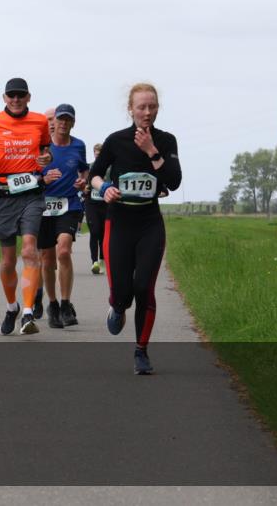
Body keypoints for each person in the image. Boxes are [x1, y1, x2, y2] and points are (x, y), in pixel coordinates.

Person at [88, 83, 182, 375]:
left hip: (149, 224)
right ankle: (117, 306)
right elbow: (93, 175)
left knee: (144, 287)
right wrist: (104, 188)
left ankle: (141, 352)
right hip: (118, 224)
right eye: (141, 106)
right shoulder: (116, 141)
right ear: (130, 109)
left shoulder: (166, 141)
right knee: (123, 292)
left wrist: (152, 151)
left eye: (152, 106)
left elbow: (175, 180)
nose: (147, 112)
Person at [0, 78, 52, 336]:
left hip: (31, 193)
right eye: (12, 96)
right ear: (4, 98)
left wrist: (46, 158)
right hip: (4, 196)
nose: (16, 100)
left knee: (30, 249)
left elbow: (46, 150)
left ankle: (28, 312)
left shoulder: (40, 121)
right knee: (8, 260)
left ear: (29, 97)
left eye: (21, 95)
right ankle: (12, 307)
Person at [38, 104, 88, 328]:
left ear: (73, 123)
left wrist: (83, 180)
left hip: (70, 205)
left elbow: (84, 169)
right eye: (61, 119)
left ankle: (66, 303)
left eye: (69, 120)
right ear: (54, 121)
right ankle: (53, 303)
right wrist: (44, 179)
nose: (64, 124)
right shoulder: (42, 146)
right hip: (44, 207)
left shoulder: (79, 145)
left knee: (64, 250)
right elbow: (31, 172)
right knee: (47, 259)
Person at [84, 143, 108, 275]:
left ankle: (103, 260)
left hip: (105, 204)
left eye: (100, 154)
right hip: (91, 203)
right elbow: (83, 184)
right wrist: (85, 188)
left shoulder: (109, 168)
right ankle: (95, 262)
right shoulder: (88, 167)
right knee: (95, 231)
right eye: (96, 154)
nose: (98, 156)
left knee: (104, 234)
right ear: (93, 153)